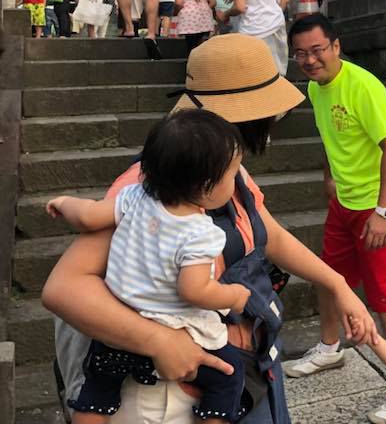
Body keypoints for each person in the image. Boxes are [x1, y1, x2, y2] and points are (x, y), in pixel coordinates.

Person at [43, 34, 379, 424]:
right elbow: (64, 287)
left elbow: (269, 234)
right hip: (174, 386)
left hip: (244, 361)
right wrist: (159, 341)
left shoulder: (225, 170)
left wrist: (337, 285)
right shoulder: (149, 187)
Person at [46, 110, 255, 424]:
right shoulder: (201, 234)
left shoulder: (134, 197)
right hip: (175, 330)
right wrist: (233, 296)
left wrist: (63, 202)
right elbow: (194, 290)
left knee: (99, 385)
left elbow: (88, 216)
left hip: (119, 326)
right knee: (228, 375)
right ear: (207, 186)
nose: (236, 179)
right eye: (232, 173)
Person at [284, 14, 386, 423]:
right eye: (301, 54)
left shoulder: (365, 86)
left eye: (317, 50)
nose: (310, 60)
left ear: (335, 45)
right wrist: (330, 177)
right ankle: (330, 348)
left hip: (383, 205)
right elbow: (331, 138)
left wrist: (383, 211)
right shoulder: (315, 88)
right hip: (345, 202)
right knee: (329, 278)